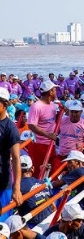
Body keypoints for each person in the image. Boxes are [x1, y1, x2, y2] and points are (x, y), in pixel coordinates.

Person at [27, 80, 61, 178]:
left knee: (53, 169)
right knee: (38, 170)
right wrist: (47, 134)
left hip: (51, 143)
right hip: (38, 144)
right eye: (54, 90)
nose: (56, 92)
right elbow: (31, 125)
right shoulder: (36, 106)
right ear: (50, 92)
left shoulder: (53, 105)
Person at [0, 88, 22, 222]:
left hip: (2, 183)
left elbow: (16, 159)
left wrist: (17, 188)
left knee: (3, 225)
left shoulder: (10, 128)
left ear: (5, 105)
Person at [18, 155, 52, 227]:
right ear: (32, 168)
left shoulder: (16, 187)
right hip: (50, 221)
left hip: (32, 225)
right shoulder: (43, 183)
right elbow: (53, 206)